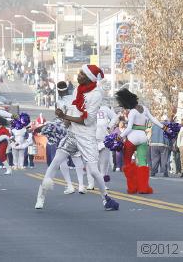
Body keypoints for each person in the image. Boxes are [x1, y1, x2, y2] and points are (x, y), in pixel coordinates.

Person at [34, 64, 119, 211]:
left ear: (88, 78)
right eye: (79, 73)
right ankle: (40, 197)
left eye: (81, 74)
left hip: (86, 138)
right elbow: (72, 111)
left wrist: (65, 116)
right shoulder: (77, 91)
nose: (78, 76)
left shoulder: (96, 95)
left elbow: (88, 120)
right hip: (72, 135)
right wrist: (64, 120)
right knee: (55, 163)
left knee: (93, 170)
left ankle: (106, 198)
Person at [115, 88, 168, 194]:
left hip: (132, 138)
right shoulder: (144, 108)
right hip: (143, 137)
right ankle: (143, 188)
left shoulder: (132, 112)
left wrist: (120, 136)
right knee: (143, 163)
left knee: (127, 161)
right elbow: (153, 120)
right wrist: (164, 128)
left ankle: (132, 187)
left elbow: (129, 128)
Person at [56, 81, 86, 194]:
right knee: (77, 158)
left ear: (58, 90)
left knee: (62, 159)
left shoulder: (59, 102)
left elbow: (64, 120)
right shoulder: (75, 99)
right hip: (79, 131)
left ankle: (69, 186)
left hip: (67, 132)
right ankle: (81, 186)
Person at [86, 104, 118, 190]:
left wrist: (109, 126)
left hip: (104, 139)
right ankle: (91, 183)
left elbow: (115, 117)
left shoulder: (105, 109)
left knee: (104, 162)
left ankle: (102, 184)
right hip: (91, 139)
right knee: (91, 162)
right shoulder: (86, 108)